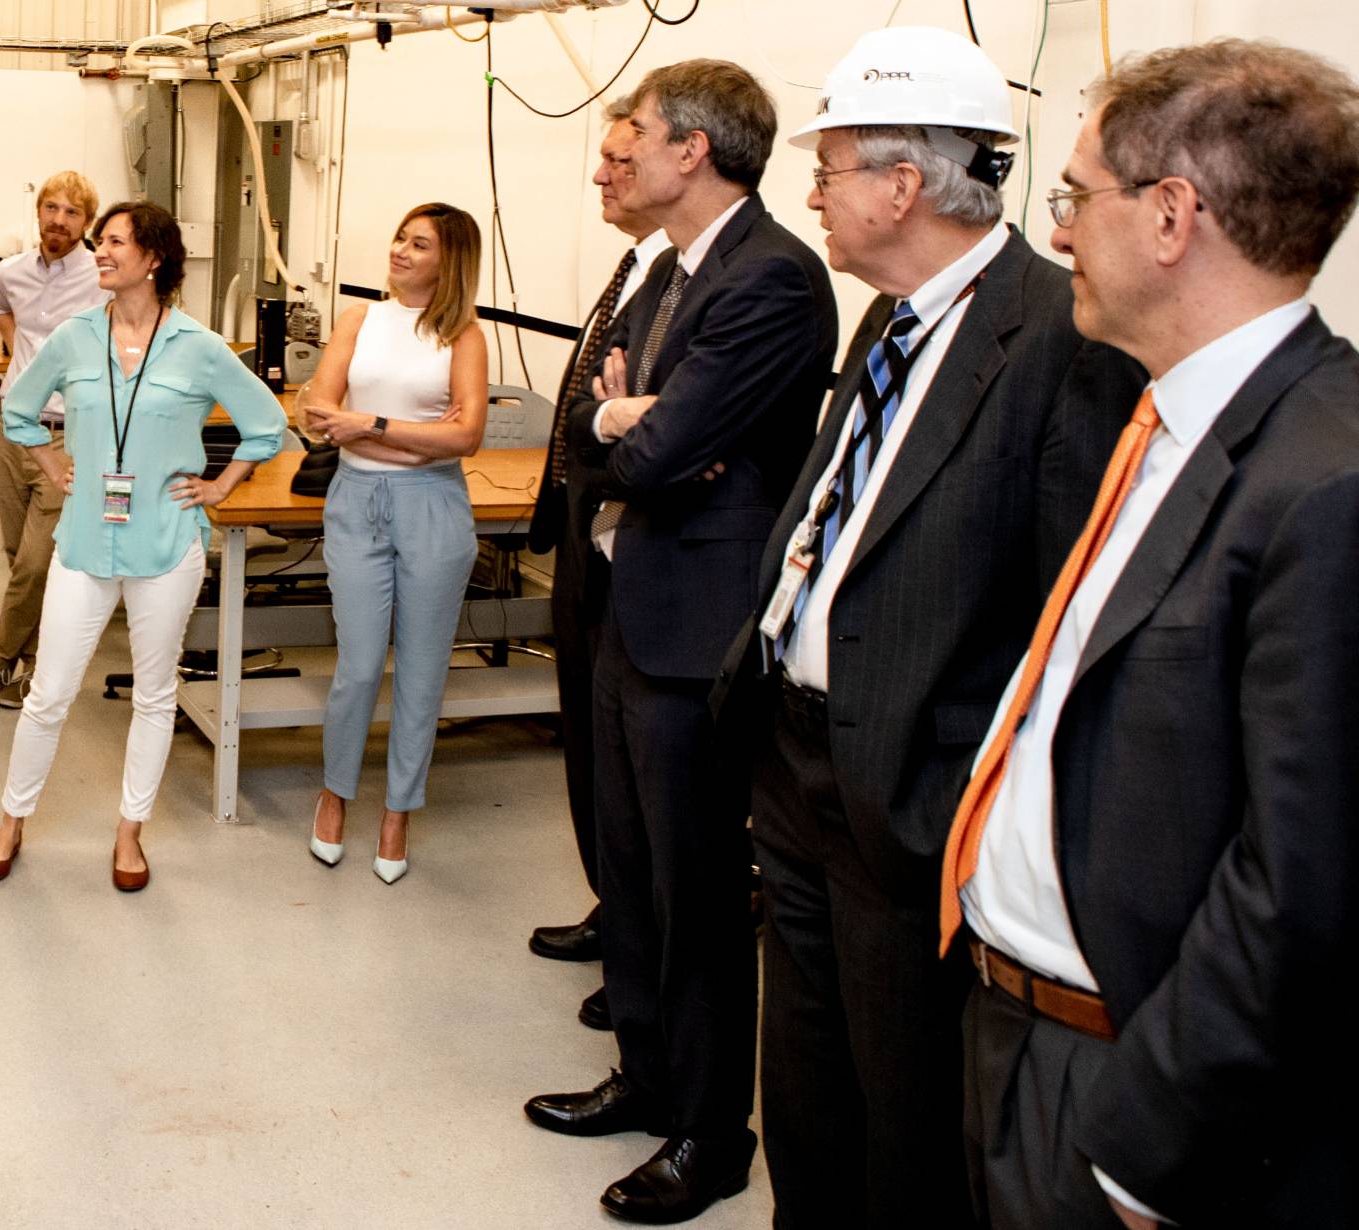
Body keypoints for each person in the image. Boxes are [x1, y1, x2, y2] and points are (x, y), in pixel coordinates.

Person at [714, 27, 1142, 1229]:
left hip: (913, 803)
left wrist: (956, 791)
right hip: (797, 770)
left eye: (833, 165)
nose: (814, 192)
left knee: (906, 1113)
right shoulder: (889, 316)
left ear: (904, 186)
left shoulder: (1063, 337)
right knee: (803, 1091)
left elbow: (1067, 613)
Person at [937, 40, 1359, 1230]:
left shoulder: (1323, 481)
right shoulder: (1163, 420)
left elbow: (1306, 885)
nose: (1059, 234)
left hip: (1132, 1096)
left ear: (1173, 216)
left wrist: (1144, 1153)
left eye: (1076, 198)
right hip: (1017, 1029)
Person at [523, 61, 837, 1225]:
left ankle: (713, 1135)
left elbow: (654, 459)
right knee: (638, 879)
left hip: (697, 626)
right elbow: (593, 436)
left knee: (700, 892)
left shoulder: (772, 281)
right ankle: (646, 1078)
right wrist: (625, 420)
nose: (619, 160)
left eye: (635, 139)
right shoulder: (668, 277)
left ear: (693, 150)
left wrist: (636, 434)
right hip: (634, 599)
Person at [0, 201, 284, 890]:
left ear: (155, 259)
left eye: (115, 242)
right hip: (85, 539)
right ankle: (11, 820)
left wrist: (221, 485)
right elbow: (18, 410)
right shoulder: (74, 336)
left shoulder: (199, 346)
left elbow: (268, 423)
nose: (101, 252)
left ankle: (130, 832)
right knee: (48, 692)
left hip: (166, 541)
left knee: (153, 692)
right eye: (99, 242)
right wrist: (53, 463)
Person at [525, 103, 672, 1031]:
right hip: (589, 532)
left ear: (684, 158)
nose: (601, 175)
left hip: (638, 546)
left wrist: (608, 425)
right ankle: (613, 902)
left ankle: (637, 929)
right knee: (587, 741)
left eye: (621, 158)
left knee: (627, 762)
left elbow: (638, 423)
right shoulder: (639, 269)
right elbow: (594, 405)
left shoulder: (692, 279)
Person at [301, 202, 489, 885]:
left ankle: (398, 811)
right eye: (399, 238)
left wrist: (371, 424)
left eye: (418, 244)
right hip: (357, 503)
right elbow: (318, 411)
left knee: (421, 672)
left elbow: (466, 438)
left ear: (449, 260)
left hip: (433, 508)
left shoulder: (463, 336)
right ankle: (335, 793)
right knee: (356, 664)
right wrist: (411, 437)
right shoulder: (361, 319)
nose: (400, 251)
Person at [0, 170, 110, 709]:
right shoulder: (12, 273)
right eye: (51, 207)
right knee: (14, 554)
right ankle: (33, 662)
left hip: (66, 439)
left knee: (37, 563)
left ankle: (1, 657)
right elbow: (2, 308)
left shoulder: (102, 278)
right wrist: (19, 353)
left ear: (87, 222)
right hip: (12, 430)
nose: (58, 219)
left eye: (72, 212)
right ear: (38, 212)